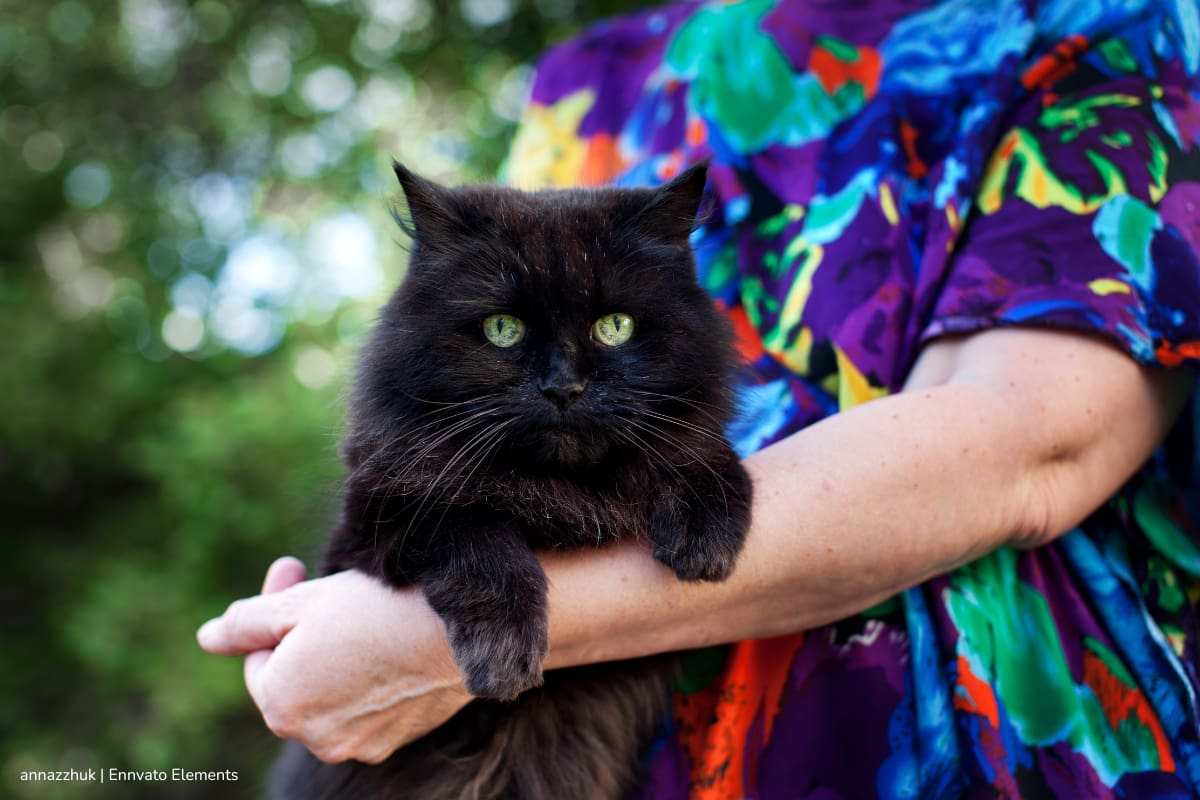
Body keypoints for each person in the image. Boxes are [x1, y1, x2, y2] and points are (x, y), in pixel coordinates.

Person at [198, 0, 1200, 796]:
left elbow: (1032, 448)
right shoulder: (590, 79)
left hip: (962, 746)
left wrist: (441, 641)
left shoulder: (1107, 30)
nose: (562, 379)